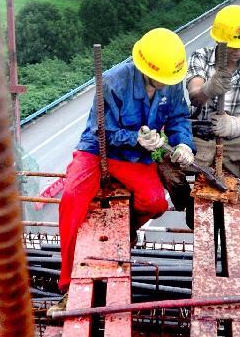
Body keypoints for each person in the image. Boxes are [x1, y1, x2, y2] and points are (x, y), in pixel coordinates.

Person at [48, 28, 195, 315]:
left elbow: (179, 118)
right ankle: (68, 285)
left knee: (154, 202)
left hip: (135, 157)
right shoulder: (114, 81)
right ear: (145, 68)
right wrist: (135, 138)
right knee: (72, 200)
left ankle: (127, 230)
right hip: (99, 149)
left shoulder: (172, 82)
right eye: (161, 80)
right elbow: (101, 131)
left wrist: (184, 145)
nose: (166, 85)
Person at [158, 5, 240, 229]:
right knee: (167, 168)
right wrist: (209, 89)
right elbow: (194, 96)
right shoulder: (201, 58)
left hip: (235, 139)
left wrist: (234, 124)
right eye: (233, 46)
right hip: (199, 136)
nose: (239, 51)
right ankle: (186, 203)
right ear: (220, 42)